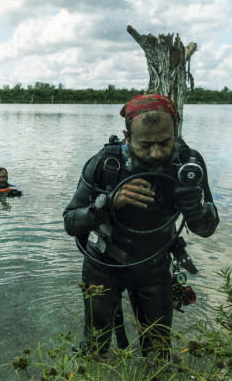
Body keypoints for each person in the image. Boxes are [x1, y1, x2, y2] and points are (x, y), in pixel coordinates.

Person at [63, 94, 219, 358]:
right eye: (145, 144)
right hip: (104, 265)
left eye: (164, 142)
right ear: (127, 137)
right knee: (94, 348)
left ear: (175, 132)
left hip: (155, 266)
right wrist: (109, 203)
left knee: (158, 352)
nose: (156, 152)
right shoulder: (107, 163)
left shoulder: (187, 163)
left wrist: (195, 208)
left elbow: (206, 229)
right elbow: (70, 222)